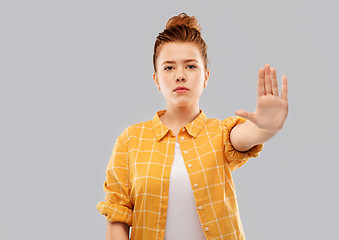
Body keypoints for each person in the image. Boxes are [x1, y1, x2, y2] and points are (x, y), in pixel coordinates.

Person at [96, 12, 288, 240]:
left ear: (206, 76)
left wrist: (267, 128)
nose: (180, 76)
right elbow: (117, 215)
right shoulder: (130, 140)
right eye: (168, 68)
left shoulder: (220, 133)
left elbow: (246, 135)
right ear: (156, 78)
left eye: (190, 66)